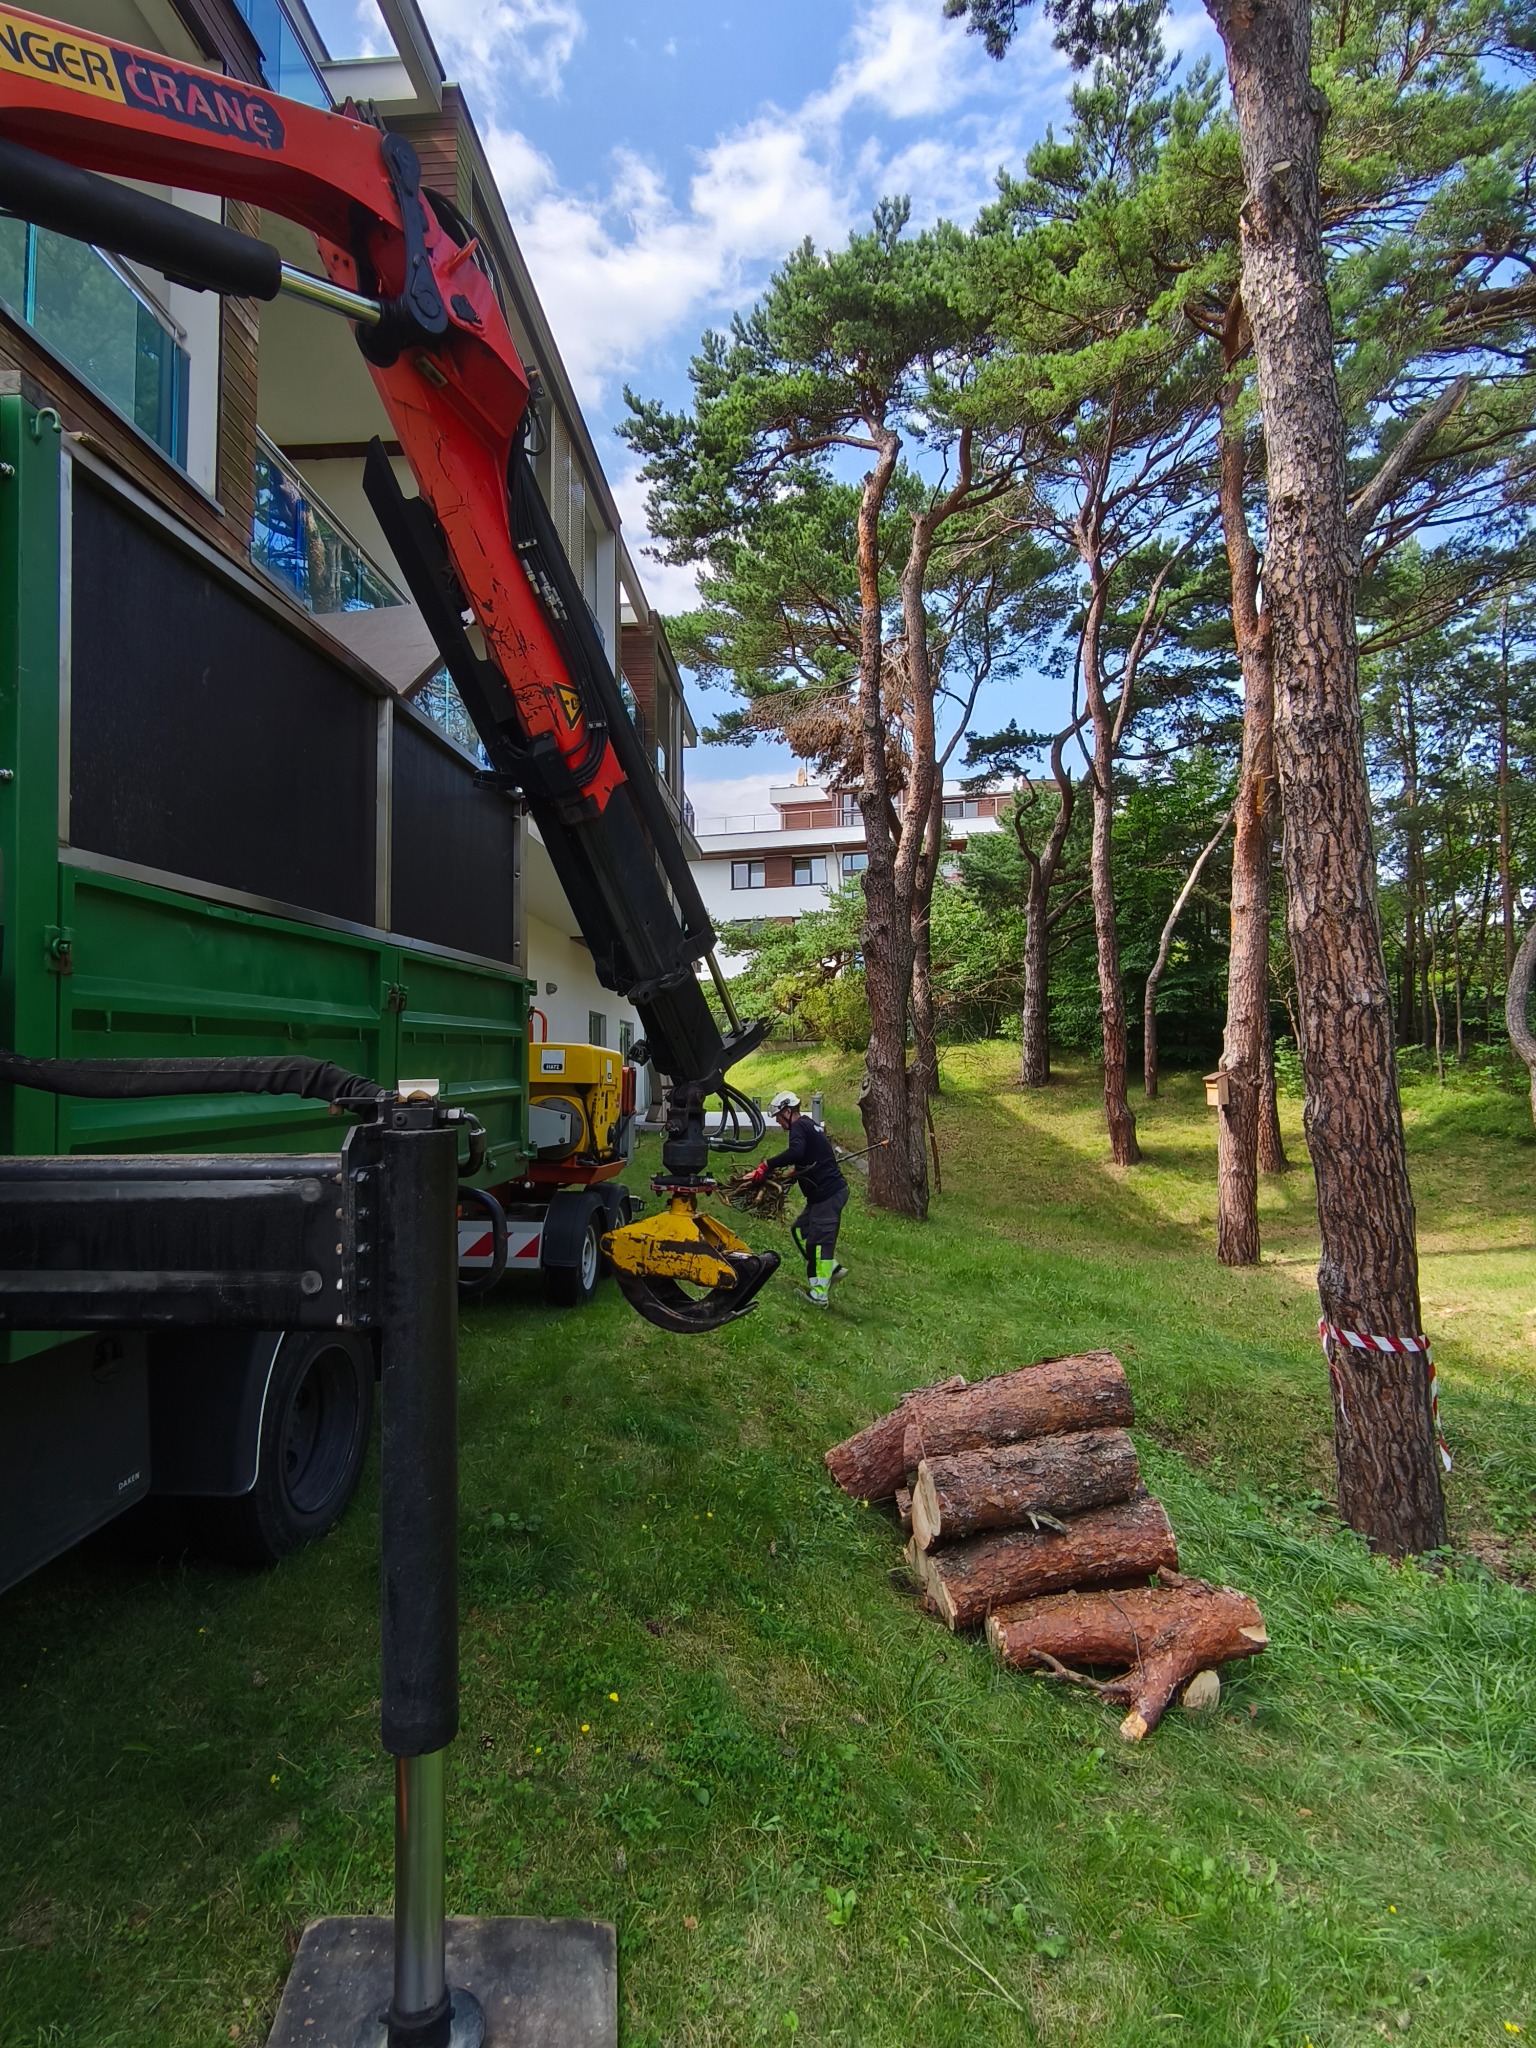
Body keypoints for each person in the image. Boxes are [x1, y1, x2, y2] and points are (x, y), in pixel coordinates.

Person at [748, 1090, 849, 1307]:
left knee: (821, 1242)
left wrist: (767, 1165)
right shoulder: (808, 1125)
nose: (777, 1121)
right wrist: (797, 1173)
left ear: (787, 1110)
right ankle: (830, 1269)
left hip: (828, 1194)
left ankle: (819, 1294)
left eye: (778, 1116)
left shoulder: (798, 1127)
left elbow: (796, 1151)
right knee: (800, 1230)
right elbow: (811, 1154)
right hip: (822, 1194)